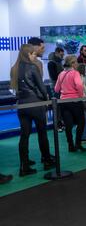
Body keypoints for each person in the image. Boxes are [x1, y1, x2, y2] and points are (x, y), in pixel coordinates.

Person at [10, 44, 55, 176]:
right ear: (28, 54)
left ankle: (24, 166)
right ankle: (46, 160)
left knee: (24, 135)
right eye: (32, 54)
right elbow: (41, 87)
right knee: (42, 133)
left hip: (22, 105)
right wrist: (46, 99)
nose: (34, 56)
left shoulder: (14, 68)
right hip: (35, 103)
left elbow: (14, 89)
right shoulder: (32, 67)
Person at [54, 56, 86, 153]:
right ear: (72, 63)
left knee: (68, 125)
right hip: (75, 101)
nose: (77, 64)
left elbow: (56, 89)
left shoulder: (61, 74)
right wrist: (80, 96)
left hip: (63, 102)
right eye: (76, 62)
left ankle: (70, 145)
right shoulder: (75, 73)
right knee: (81, 122)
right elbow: (79, 85)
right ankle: (78, 143)